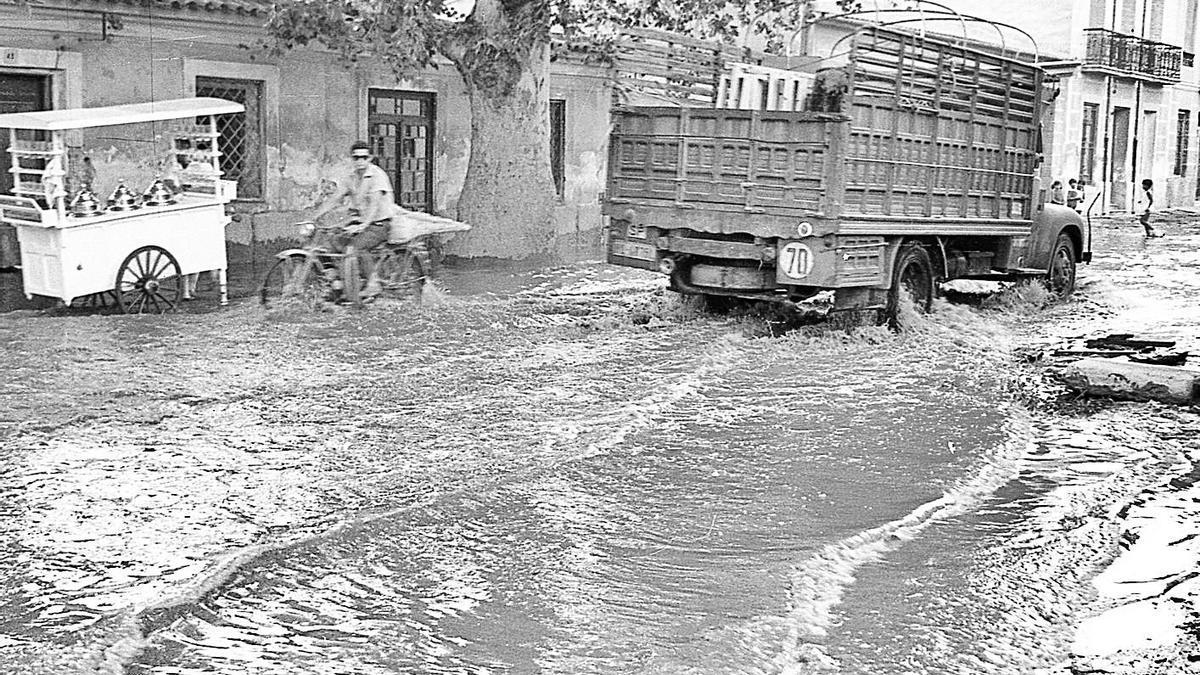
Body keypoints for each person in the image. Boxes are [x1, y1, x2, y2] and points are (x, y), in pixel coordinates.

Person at [312, 140, 397, 298]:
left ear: (370, 158)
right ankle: (338, 282)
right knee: (328, 243)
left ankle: (373, 284)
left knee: (356, 247)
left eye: (363, 157)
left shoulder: (377, 175)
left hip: (379, 224)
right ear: (352, 158)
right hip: (358, 222)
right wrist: (315, 216)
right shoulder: (350, 177)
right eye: (356, 158)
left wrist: (364, 225)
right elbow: (335, 198)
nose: (360, 161)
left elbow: (374, 204)